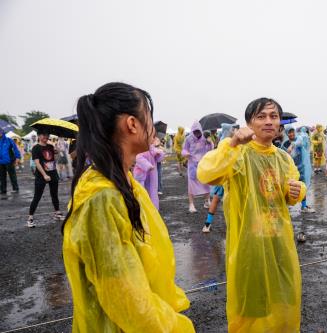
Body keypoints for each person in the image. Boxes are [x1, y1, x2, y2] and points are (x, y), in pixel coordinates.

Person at [61, 82, 194, 332]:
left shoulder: (122, 181)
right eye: (149, 117)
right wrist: (178, 327)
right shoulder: (102, 198)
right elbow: (125, 299)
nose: (154, 126)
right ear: (132, 124)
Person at [197, 98, 306, 333]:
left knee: (284, 298)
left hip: (280, 243)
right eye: (261, 116)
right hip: (249, 245)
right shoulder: (238, 153)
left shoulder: (283, 158)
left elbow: (291, 188)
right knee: (251, 306)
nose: (269, 121)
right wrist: (233, 143)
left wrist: (297, 190)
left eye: (274, 116)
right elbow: (206, 174)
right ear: (249, 123)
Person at [27, 129, 64, 227]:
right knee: (37, 197)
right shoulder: (36, 148)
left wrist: (57, 148)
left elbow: (54, 157)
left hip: (53, 173)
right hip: (41, 175)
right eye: (43, 135)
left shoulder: (50, 146)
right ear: (38, 136)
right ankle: (30, 218)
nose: (45, 137)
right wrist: (44, 175)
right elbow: (37, 163)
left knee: (54, 194)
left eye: (47, 135)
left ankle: (57, 213)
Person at [203, 123, 236, 233]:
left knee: (217, 200)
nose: (233, 131)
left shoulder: (222, 141)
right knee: (222, 200)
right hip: (227, 176)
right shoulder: (227, 142)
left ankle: (208, 224)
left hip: (224, 175)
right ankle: (209, 224)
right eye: (232, 129)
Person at [182, 121, 213, 212]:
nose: (197, 133)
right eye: (195, 131)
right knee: (191, 186)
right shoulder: (188, 139)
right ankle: (191, 204)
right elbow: (184, 150)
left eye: (198, 131)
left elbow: (210, 150)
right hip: (192, 165)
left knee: (206, 184)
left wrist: (210, 143)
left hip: (203, 165)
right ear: (192, 131)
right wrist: (186, 154)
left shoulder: (205, 138)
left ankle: (207, 201)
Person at [284, 126, 315, 213]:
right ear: (287, 133)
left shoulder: (298, 139)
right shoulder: (285, 144)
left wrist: (292, 145)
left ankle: (304, 206)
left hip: (301, 168)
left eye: (292, 131)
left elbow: (299, 142)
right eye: (289, 132)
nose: (291, 134)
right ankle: (285, 206)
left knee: (302, 187)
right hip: (290, 170)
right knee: (288, 188)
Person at [133, 140, 166, 210]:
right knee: (142, 191)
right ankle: (143, 208)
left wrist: (159, 154)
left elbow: (159, 159)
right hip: (142, 174)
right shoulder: (141, 148)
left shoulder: (152, 148)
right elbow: (138, 158)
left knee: (153, 191)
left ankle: (154, 209)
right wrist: (148, 166)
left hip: (152, 174)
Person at [0, 127, 20, 194]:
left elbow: (15, 149)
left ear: (3, 132)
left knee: (12, 175)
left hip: (9, 161)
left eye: (0, 132)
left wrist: (17, 158)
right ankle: (3, 190)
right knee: (1, 177)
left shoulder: (9, 140)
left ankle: (15, 188)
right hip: (1, 162)